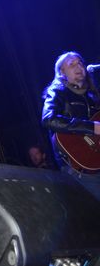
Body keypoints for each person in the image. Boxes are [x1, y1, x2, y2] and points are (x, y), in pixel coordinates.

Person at [41, 51, 100, 200]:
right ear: (62, 72)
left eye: (80, 63)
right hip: (78, 167)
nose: (78, 66)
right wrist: (91, 127)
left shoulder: (92, 95)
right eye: (71, 64)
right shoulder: (58, 92)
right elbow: (49, 119)